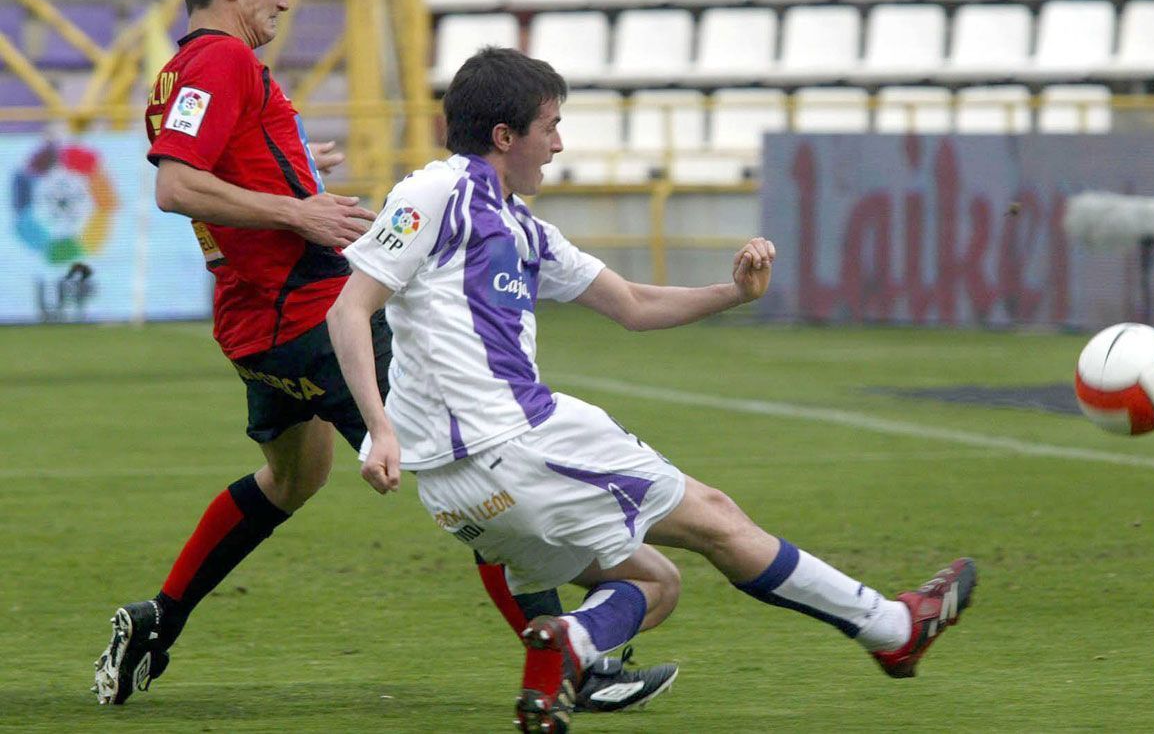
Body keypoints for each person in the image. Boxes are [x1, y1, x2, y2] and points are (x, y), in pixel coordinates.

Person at [94, 0, 675, 714]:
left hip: (252, 324)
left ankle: (159, 618)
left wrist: (299, 165)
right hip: (306, 307)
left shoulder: (186, 71)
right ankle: (577, 661)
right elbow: (176, 186)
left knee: (296, 477)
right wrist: (299, 213)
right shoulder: (222, 58)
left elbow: (214, 164)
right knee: (469, 458)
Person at [325, 46, 977, 733]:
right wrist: (381, 427)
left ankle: (569, 646)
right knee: (716, 516)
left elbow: (632, 303)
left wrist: (734, 292)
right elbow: (349, 308)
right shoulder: (437, 192)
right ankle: (893, 629)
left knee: (655, 584)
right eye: (549, 125)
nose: (558, 143)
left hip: (458, 494)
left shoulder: (524, 230)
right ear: (504, 137)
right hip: (513, 441)